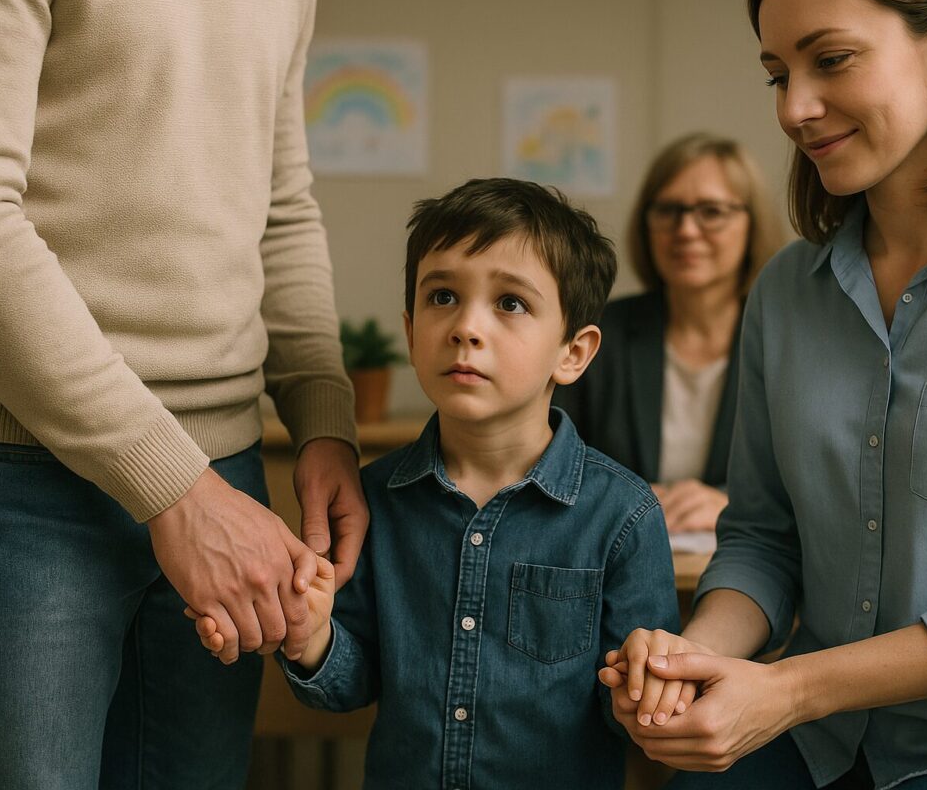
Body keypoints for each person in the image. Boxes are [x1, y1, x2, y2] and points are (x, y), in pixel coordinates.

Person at [602, 0, 927, 788]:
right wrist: (691, 657)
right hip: (819, 744)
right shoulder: (784, 291)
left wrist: (789, 690)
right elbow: (764, 539)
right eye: (777, 74)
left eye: (831, 60)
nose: (795, 108)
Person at [0, 0, 369, 787]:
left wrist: (323, 419)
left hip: (229, 470)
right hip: (15, 465)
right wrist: (175, 489)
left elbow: (283, 208)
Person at [196, 177, 682, 788]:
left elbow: (637, 721)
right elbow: (350, 685)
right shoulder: (374, 499)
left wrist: (647, 694)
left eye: (510, 303)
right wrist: (313, 634)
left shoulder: (623, 515)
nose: (465, 327)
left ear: (574, 352)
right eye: (443, 296)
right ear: (409, 329)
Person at [554, 133, 783, 534]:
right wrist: (621, 497)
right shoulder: (597, 334)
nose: (686, 230)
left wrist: (732, 506)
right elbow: (550, 459)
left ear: (753, 224)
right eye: (668, 210)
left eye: (711, 211)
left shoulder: (785, 339)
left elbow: (814, 485)